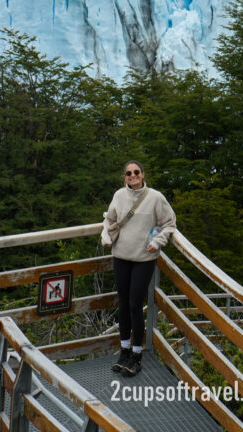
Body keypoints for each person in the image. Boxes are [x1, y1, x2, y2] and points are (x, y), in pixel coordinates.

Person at [101, 160, 176, 377]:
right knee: (123, 302)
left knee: (135, 304)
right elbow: (110, 219)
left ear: (143, 174)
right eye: (128, 173)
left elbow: (169, 223)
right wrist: (106, 235)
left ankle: (136, 355)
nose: (132, 176)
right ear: (124, 177)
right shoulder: (119, 195)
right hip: (121, 256)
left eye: (136, 172)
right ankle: (124, 350)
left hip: (144, 257)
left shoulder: (155, 197)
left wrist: (159, 241)